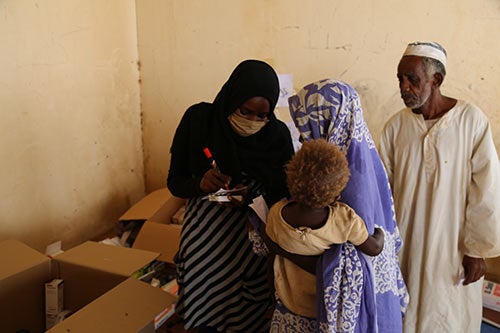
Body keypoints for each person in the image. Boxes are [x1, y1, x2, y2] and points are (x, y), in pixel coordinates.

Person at [267, 78, 408, 333]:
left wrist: (285, 249)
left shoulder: (353, 182)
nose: (303, 136)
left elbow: (351, 262)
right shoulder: (337, 175)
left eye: (307, 127)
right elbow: (370, 244)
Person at [379, 41, 500, 332]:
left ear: (437, 80)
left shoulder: (471, 122)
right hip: (405, 246)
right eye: (400, 78)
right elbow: (382, 193)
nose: (404, 86)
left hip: (453, 250)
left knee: (449, 317)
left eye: (413, 79)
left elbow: (487, 190)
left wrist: (476, 249)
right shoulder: (395, 127)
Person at [167, 59, 294, 332]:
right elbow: (174, 182)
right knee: (203, 313)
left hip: (250, 244)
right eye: (245, 111)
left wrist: (254, 196)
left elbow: (284, 196)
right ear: (231, 99)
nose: (253, 122)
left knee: (247, 317)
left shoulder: (277, 137)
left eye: (263, 116)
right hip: (204, 242)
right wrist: (200, 183)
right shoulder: (199, 121)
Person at [266, 138, 385, 326]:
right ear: (337, 194)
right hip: (325, 309)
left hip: (289, 304)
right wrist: (379, 230)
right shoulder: (344, 220)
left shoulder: (277, 213)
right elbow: (374, 248)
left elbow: (271, 243)